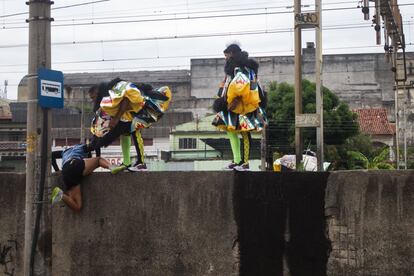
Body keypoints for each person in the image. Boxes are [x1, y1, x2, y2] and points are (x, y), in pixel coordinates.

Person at [87, 78, 171, 172]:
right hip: (130, 113)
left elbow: (126, 99)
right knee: (125, 133)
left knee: (134, 128)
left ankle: (141, 163)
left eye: (93, 97)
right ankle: (127, 162)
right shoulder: (107, 95)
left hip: (142, 108)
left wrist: (116, 119)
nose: (93, 100)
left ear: (97, 92)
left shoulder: (113, 89)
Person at [212, 43, 267, 171]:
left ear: (232, 54)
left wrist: (236, 98)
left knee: (245, 132)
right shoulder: (234, 68)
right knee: (231, 131)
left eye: (226, 55)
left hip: (244, 104)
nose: (225, 58)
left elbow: (246, 86)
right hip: (231, 103)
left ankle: (245, 163)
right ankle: (237, 160)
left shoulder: (243, 67)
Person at [50, 144, 113, 212]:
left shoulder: (64, 151)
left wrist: (57, 170)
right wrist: (97, 156)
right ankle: (112, 167)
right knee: (98, 160)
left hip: (65, 172)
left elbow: (52, 155)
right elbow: (96, 145)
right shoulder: (82, 147)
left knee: (77, 207)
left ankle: (61, 194)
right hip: (75, 164)